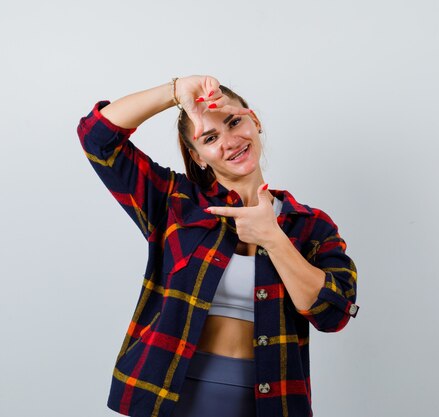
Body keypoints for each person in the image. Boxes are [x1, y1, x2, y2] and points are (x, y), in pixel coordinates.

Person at [76, 75, 360, 417]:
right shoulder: (175, 202)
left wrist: (273, 237)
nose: (230, 141)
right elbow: (97, 138)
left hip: (268, 403)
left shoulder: (310, 225)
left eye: (234, 122)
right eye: (210, 138)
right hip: (168, 398)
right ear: (198, 157)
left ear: (253, 121)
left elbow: (334, 314)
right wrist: (175, 91)